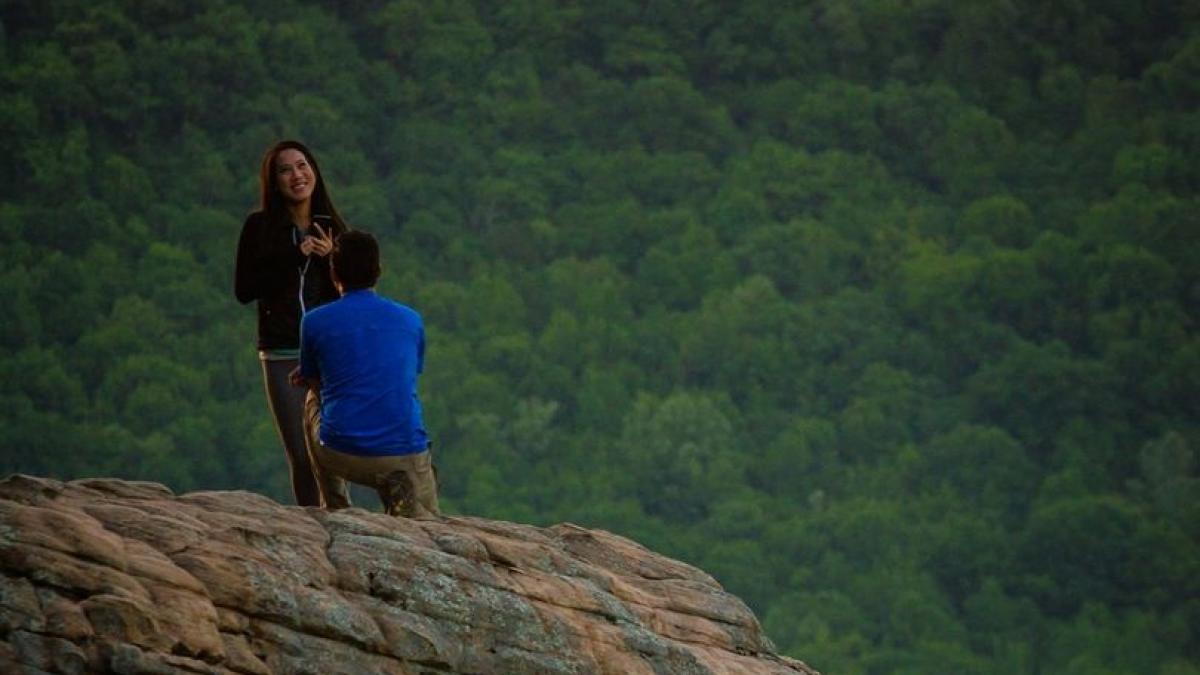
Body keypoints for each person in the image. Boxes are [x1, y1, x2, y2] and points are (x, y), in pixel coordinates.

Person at [292, 230, 440, 518]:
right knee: (426, 526)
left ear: (334, 272)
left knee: (312, 399)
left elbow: (314, 380)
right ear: (379, 271)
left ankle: (335, 505)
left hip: (340, 452)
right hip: (404, 452)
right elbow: (401, 374)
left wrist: (311, 378)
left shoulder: (314, 322)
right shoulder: (411, 319)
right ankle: (402, 497)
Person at [234, 140, 349, 507]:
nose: (297, 175)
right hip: (282, 350)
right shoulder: (259, 228)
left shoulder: (333, 229)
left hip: (329, 352)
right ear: (274, 180)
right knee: (301, 452)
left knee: (333, 447)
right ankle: (313, 525)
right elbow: (244, 289)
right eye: (286, 169)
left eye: (302, 165)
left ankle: (344, 522)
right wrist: (293, 256)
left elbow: (354, 293)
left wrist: (333, 260)